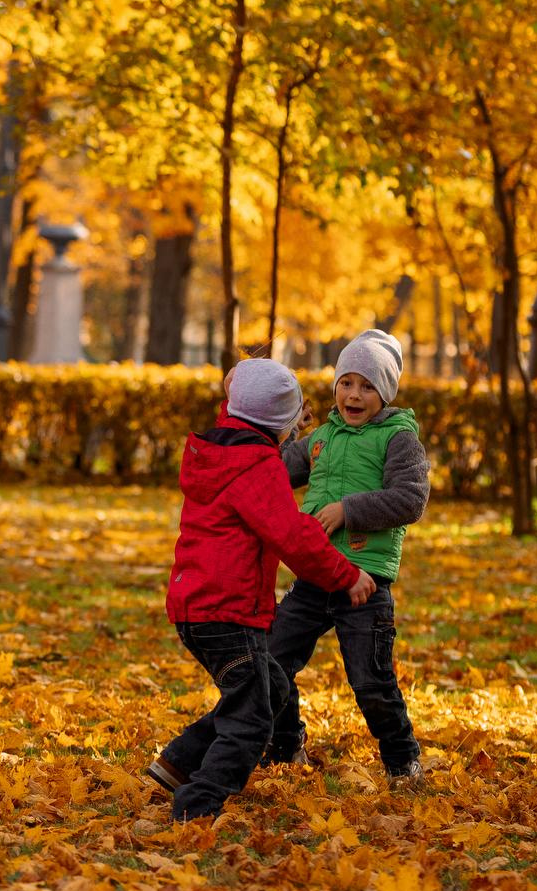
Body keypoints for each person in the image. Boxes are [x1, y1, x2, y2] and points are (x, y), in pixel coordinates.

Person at [145, 358, 375, 821]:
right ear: (279, 425)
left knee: (266, 683)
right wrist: (346, 575)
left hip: (194, 607)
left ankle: (178, 762)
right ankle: (198, 804)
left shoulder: (216, 452)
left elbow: (243, 390)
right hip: (229, 613)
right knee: (250, 718)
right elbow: (293, 535)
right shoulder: (257, 467)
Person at [265, 330, 427, 779]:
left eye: (368, 386)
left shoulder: (398, 438)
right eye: (346, 382)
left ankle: (402, 760)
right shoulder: (321, 438)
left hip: (365, 580)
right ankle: (284, 744)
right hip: (315, 571)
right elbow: (272, 474)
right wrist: (276, 433)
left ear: (386, 392)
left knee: (370, 680)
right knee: (272, 658)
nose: (354, 394)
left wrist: (347, 510)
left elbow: (410, 499)